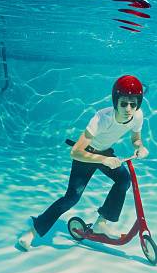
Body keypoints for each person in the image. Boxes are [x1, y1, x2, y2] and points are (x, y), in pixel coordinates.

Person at [16, 75, 150, 251]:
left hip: (105, 152)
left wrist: (140, 146)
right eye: (124, 103)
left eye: (133, 104)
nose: (128, 109)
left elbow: (135, 138)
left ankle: (101, 223)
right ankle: (32, 232)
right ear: (115, 101)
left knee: (124, 180)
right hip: (85, 155)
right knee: (71, 198)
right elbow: (75, 152)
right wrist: (104, 159)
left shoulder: (137, 116)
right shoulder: (101, 118)